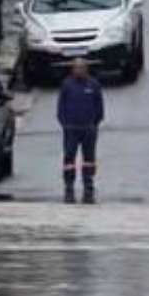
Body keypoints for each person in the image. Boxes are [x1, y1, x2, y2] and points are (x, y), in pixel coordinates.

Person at [57, 56, 105, 204]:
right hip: (71, 129)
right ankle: (69, 190)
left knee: (89, 160)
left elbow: (99, 107)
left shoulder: (94, 85)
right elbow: (61, 107)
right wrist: (65, 124)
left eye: (82, 67)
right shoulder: (67, 85)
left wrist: (93, 124)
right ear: (72, 69)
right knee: (69, 159)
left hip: (89, 129)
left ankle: (88, 190)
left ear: (86, 69)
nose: (79, 70)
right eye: (76, 67)